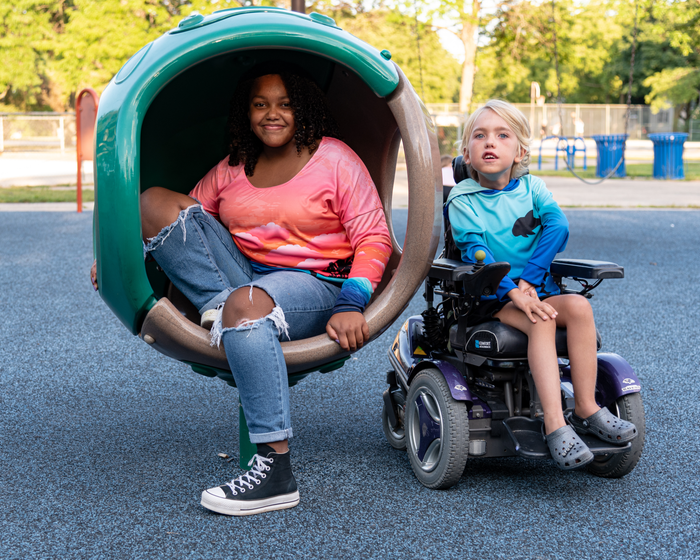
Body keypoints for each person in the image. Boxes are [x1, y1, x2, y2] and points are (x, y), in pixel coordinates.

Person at [92, 64, 392, 513]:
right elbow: (185, 223)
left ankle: (276, 470)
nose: (272, 114)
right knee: (152, 202)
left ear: (303, 109)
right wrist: (119, 260)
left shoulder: (334, 159)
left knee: (246, 304)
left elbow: (374, 237)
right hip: (243, 280)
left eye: (285, 103)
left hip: (316, 283)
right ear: (246, 113)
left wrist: (352, 303)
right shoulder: (235, 166)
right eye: (260, 104)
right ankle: (222, 308)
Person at [445, 99, 637, 470]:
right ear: (466, 152)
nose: (490, 143)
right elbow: (476, 252)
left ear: (520, 151)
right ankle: (554, 423)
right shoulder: (462, 199)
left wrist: (531, 280)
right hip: (490, 295)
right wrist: (516, 291)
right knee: (542, 320)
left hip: (535, 288)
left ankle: (585, 406)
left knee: (580, 306)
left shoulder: (533, 187)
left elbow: (558, 226)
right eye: (479, 136)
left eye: (502, 135)